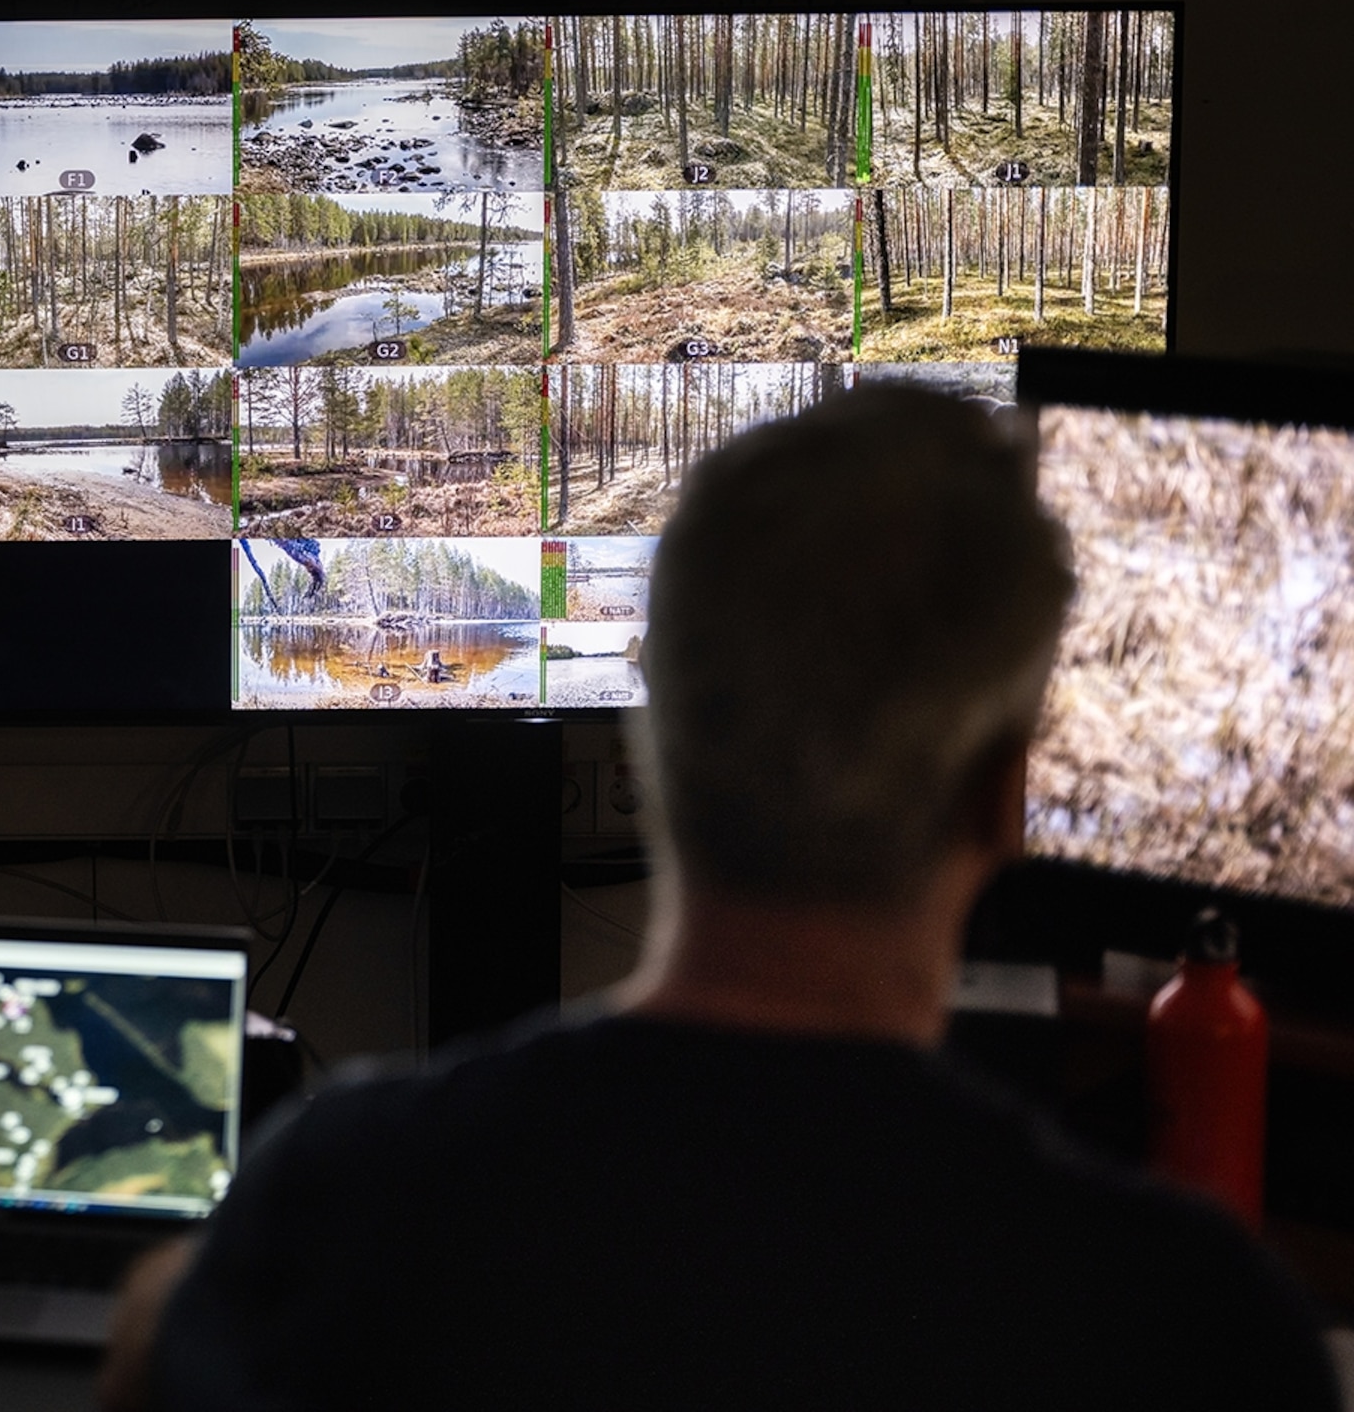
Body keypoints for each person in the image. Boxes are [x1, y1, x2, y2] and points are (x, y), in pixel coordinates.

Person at [114, 387, 1337, 1410]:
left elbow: (151, 1360)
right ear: (1002, 791)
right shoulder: (1203, 1329)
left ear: (658, 728)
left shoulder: (335, 1203)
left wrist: (189, 1292)